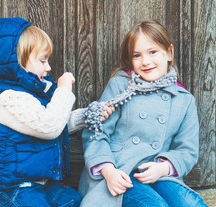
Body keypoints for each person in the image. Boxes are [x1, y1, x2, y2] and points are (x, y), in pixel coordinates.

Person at [0, 17, 113, 207]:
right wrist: (63, 90)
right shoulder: (6, 98)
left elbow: (56, 121)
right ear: (17, 62)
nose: (48, 68)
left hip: (38, 183)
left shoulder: (34, 93)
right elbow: (49, 127)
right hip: (9, 187)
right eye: (42, 61)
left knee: (72, 201)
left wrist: (87, 116)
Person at [78, 20, 207, 206]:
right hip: (119, 172)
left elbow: (187, 150)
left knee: (191, 204)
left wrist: (163, 168)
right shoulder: (121, 86)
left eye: (152, 52)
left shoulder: (183, 99)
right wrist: (108, 171)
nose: (145, 62)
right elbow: (95, 132)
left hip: (157, 175)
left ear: (169, 53)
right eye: (137, 55)